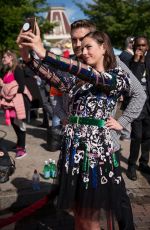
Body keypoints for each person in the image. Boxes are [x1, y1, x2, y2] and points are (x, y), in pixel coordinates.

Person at [16, 21, 146, 230]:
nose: (82, 51)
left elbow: (89, 74)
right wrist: (27, 57)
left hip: (94, 156)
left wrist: (43, 52)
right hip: (72, 152)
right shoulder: (78, 81)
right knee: (80, 216)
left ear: (104, 47)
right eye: (80, 46)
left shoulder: (115, 77)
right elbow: (54, 77)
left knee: (89, 219)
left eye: (88, 47)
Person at [126, 36, 150, 181]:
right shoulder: (130, 62)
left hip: (148, 105)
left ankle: (143, 163)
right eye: (138, 46)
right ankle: (131, 166)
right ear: (134, 46)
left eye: (144, 45)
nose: (141, 48)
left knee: (148, 136)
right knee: (137, 137)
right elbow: (131, 81)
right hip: (136, 105)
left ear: (147, 46)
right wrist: (136, 61)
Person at [0, 50, 32, 158]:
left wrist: (5, 87)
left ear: (11, 58)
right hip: (11, 103)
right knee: (15, 124)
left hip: (19, 102)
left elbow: (21, 87)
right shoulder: (7, 70)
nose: (3, 59)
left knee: (21, 126)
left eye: (5, 57)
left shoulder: (17, 69)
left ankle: (22, 149)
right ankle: (19, 144)